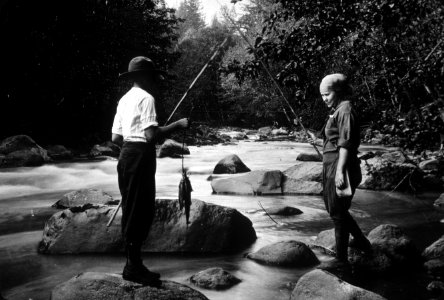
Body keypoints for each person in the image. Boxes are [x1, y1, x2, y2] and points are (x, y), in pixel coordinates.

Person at [111, 56, 189, 287]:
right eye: (152, 76)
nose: (154, 80)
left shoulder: (123, 100)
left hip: (125, 156)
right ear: (144, 77)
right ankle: (132, 267)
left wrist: (131, 145)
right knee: (141, 210)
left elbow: (115, 138)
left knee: (130, 208)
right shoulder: (147, 98)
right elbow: (151, 136)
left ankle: (134, 263)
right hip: (140, 156)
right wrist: (177, 125)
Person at [310, 73, 373, 271]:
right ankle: (362, 242)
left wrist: (340, 172)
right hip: (332, 165)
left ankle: (342, 259)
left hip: (340, 166)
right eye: (322, 95)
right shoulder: (338, 110)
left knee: (337, 213)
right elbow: (335, 138)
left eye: (327, 94)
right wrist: (318, 140)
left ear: (337, 91)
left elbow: (346, 144)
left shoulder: (345, 110)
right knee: (337, 211)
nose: (324, 99)